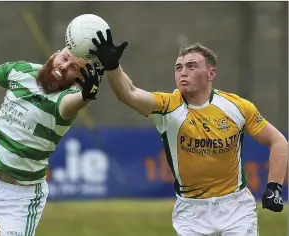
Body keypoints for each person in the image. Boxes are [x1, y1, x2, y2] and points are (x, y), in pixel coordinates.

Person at [86, 29, 288, 236]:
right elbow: (128, 93)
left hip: (236, 207)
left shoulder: (237, 106)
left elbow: (278, 141)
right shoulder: (167, 106)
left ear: (211, 74)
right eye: (178, 67)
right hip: (191, 213)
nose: (183, 72)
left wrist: (275, 187)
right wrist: (112, 66)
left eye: (191, 66)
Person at [0, 47, 103, 236]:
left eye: (72, 68)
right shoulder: (21, 71)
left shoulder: (64, 99)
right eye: (64, 58)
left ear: (78, 79)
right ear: (54, 54)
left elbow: (72, 104)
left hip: (20, 199)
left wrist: (85, 96)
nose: (64, 66)